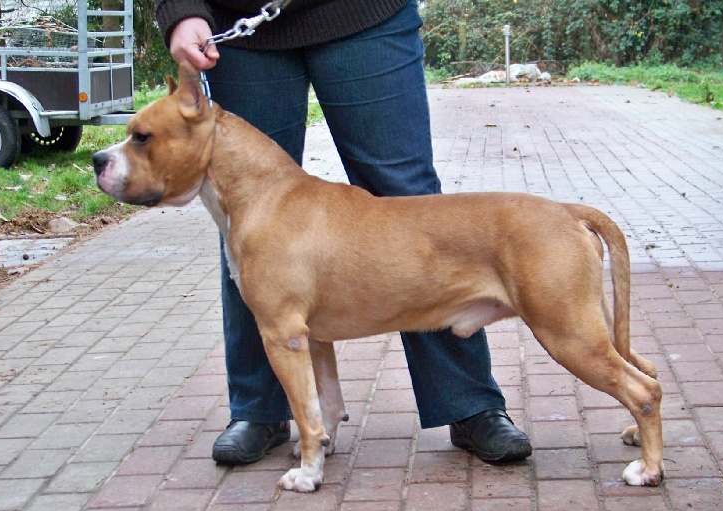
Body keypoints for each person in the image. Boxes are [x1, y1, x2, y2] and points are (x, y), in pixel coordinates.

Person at [156, 0, 532, 467]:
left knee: (407, 194)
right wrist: (181, 11)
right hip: (240, 26)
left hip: (362, 15)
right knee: (248, 217)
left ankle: (469, 402)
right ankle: (260, 409)